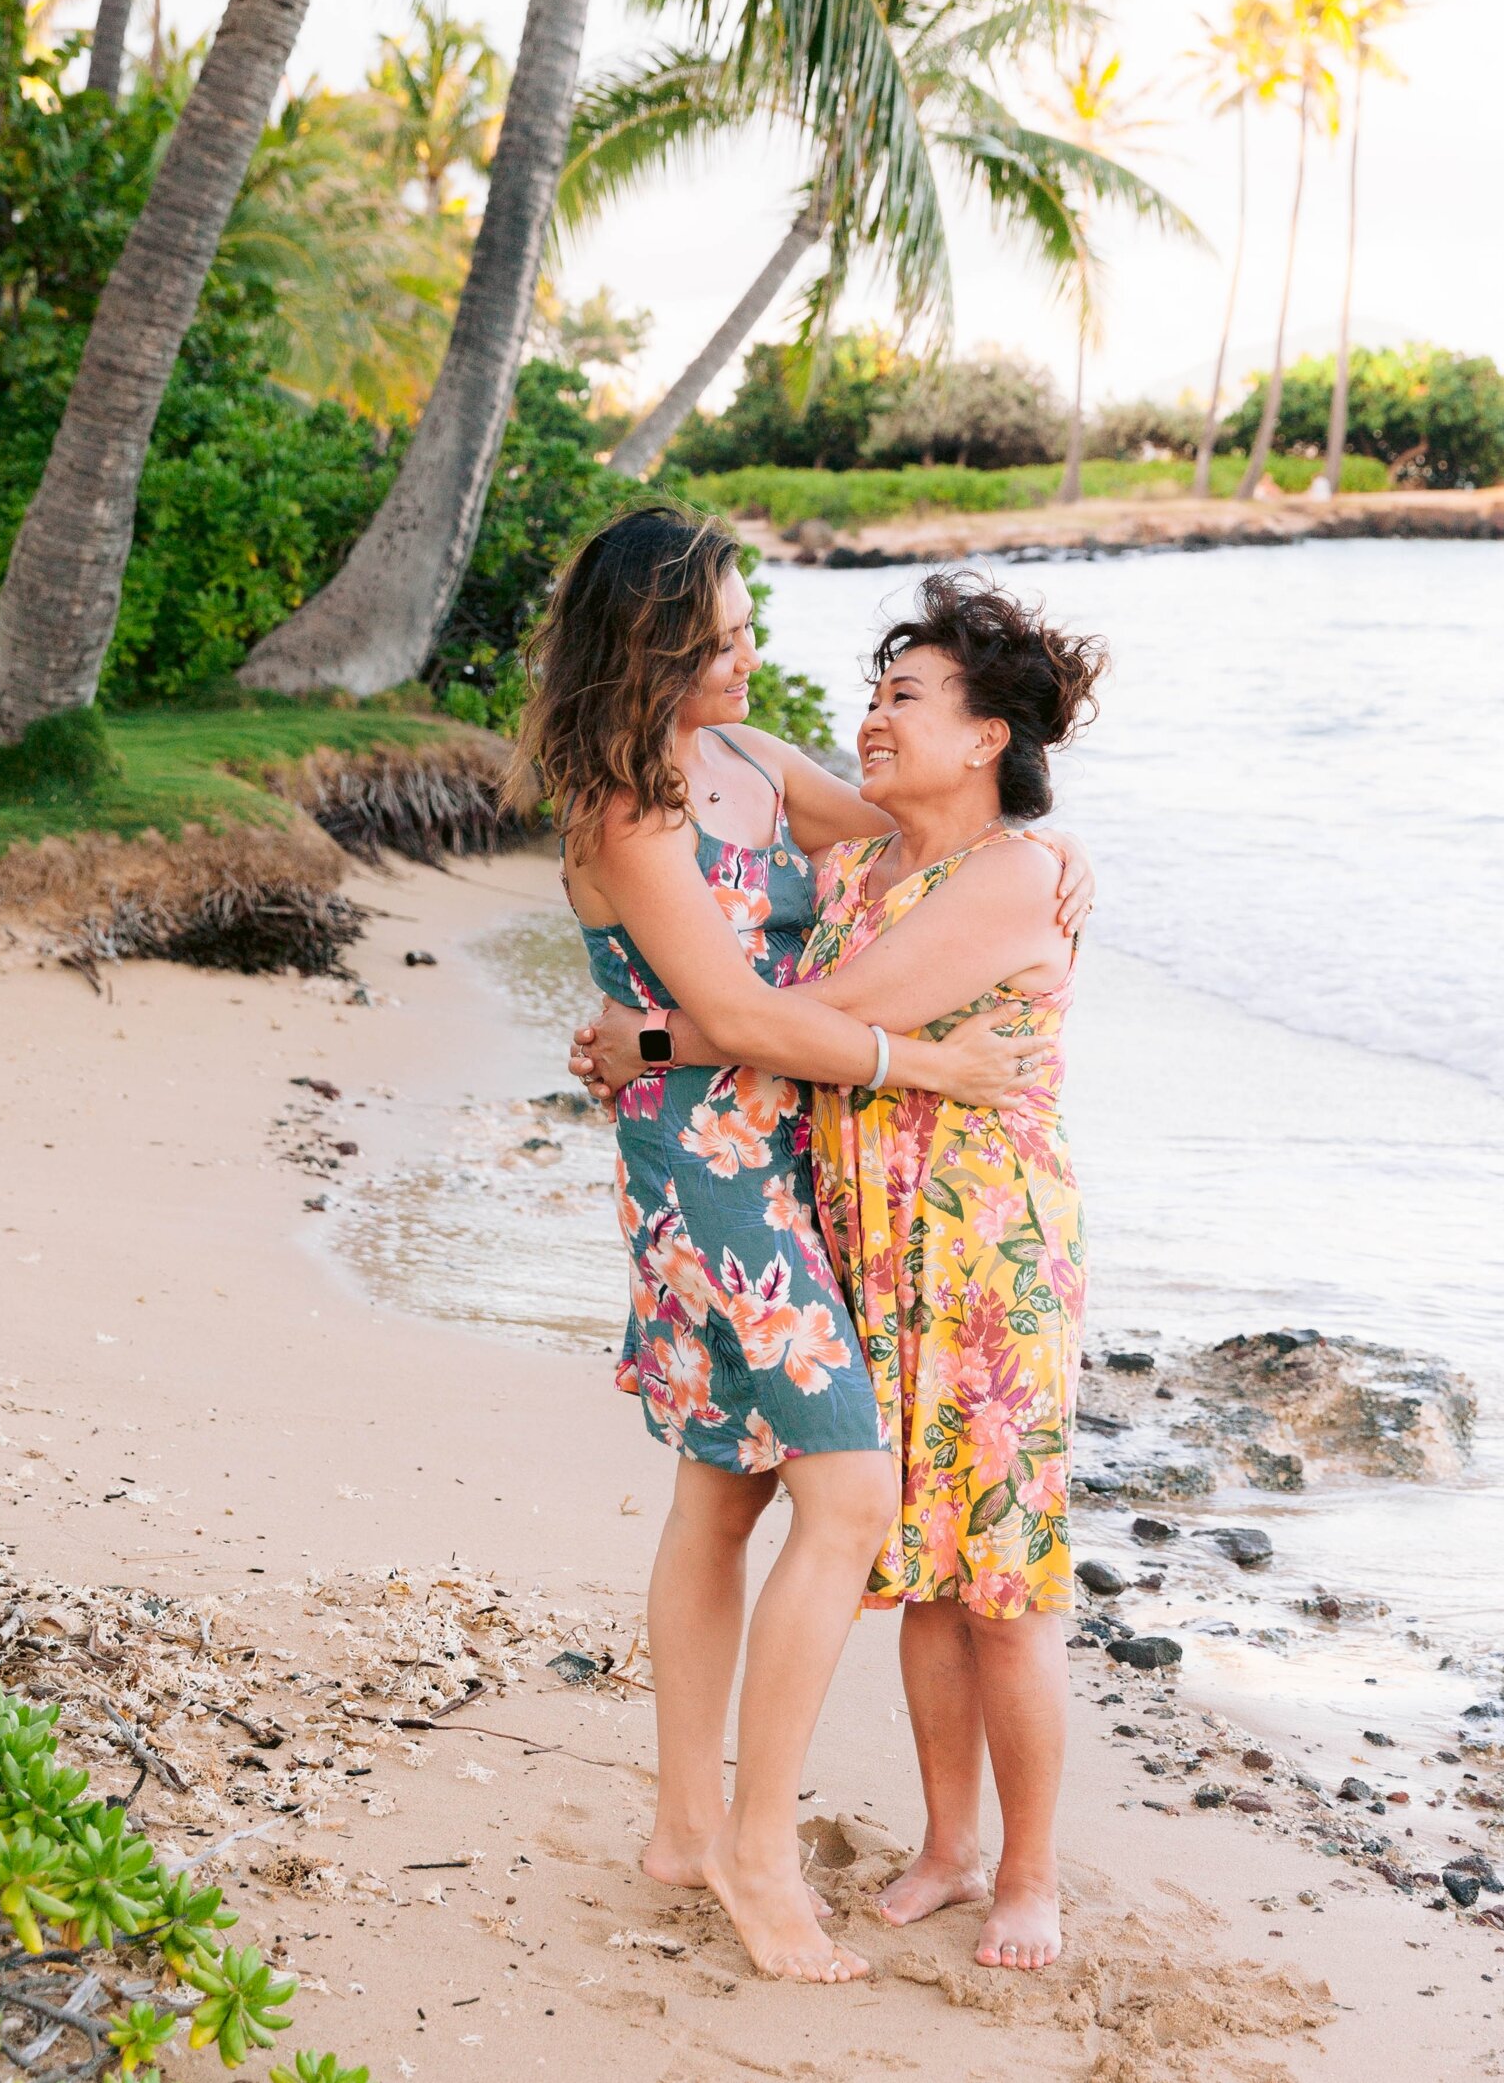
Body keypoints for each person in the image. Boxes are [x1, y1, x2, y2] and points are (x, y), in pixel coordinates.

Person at [508, 508, 1085, 1986]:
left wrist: (1058, 853)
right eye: (727, 629)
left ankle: (686, 1826)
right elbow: (761, 1019)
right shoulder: (625, 816)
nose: (756, 649)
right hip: (715, 1171)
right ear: (656, 647)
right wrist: (922, 1066)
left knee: (724, 1493)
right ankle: (757, 1854)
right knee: (848, 1489)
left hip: (803, 1152)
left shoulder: (754, 766)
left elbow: (922, 833)